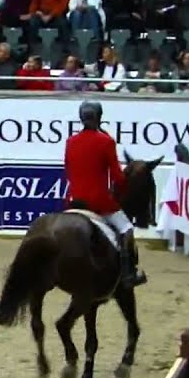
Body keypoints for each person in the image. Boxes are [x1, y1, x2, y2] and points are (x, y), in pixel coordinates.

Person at [63, 101, 146, 288]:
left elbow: (68, 169)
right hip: (99, 202)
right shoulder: (106, 141)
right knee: (126, 229)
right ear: (99, 118)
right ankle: (127, 274)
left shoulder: (70, 141)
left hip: (73, 200)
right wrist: (123, 189)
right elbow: (117, 176)